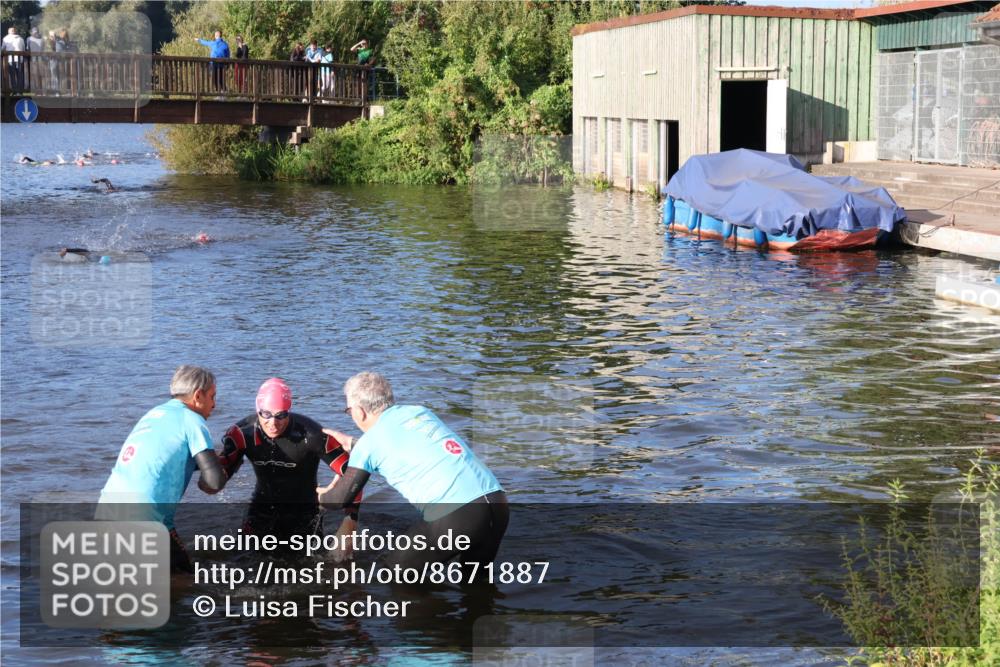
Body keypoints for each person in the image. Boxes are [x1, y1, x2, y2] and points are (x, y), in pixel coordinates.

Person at [318, 372, 508, 576]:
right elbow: (409, 445)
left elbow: (339, 500)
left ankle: (427, 607)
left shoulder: (369, 444)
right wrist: (354, 444)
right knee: (476, 584)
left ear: (360, 411)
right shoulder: (421, 413)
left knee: (395, 571)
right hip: (498, 504)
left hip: (458, 517)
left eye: (349, 410)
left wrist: (317, 495)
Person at [97, 365, 228, 572]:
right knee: (183, 578)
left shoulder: (153, 414)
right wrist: (217, 470)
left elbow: (165, 460)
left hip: (107, 510)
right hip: (144, 518)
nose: (214, 404)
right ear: (198, 395)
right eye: (212, 396)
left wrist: (209, 463)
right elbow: (214, 482)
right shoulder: (193, 420)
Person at [219, 378, 361, 553]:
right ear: (258, 410)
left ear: (289, 411)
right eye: (266, 414)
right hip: (260, 511)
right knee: (242, 560)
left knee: (316, 571)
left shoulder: (312, 434)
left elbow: (355, 470)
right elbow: (218, 475)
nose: (273, 423)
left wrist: (349, 522)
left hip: (304, 515)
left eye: (281, 415)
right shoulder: (241, 433)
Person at [3, 27, 26, 93]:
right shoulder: (21, 39)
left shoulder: (5, 39)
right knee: (19, 75)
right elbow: (23, 48)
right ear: (15, 31)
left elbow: (2, 48)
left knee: (12, 75)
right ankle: (20, 90)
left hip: (10, 59)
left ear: (8, 32)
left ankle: (14, 91)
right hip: (19, 59)